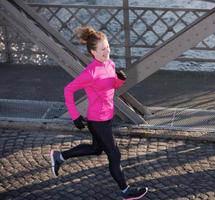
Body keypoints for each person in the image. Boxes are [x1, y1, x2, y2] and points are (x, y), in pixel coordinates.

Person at [50, 26, 148, 200]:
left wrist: (119, 80)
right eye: (103, 49)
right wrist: (75, 115)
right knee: (114, 154)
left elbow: (111, 87)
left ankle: (60, 156)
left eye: (108, 47)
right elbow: (68, 90)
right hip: (97, 120)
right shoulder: (90, 72)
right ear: (93, 52)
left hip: (107, 116)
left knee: (96, 149)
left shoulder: (110, 64)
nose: (107, 51)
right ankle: (126, 191)